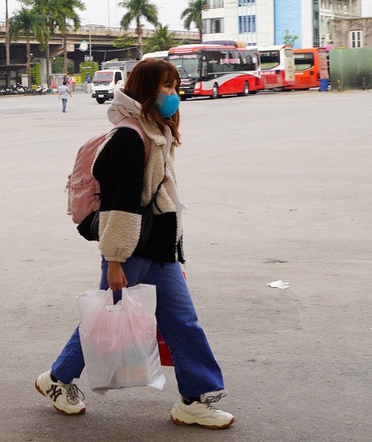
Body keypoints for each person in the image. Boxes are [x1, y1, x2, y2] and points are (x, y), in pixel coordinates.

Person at [35, 59, 234, 429]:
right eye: (167, 88)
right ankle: (57, 380)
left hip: (159, 249)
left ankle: (195, 398)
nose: (175, 96)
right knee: (104, 320)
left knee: (183, 322)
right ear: (146, 91)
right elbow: (120, 204)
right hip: (130, 249)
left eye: (175, 87)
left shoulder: (154, 130)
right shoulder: (130, 137)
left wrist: (175, 248)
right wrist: (114, 260)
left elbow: (163, 197)